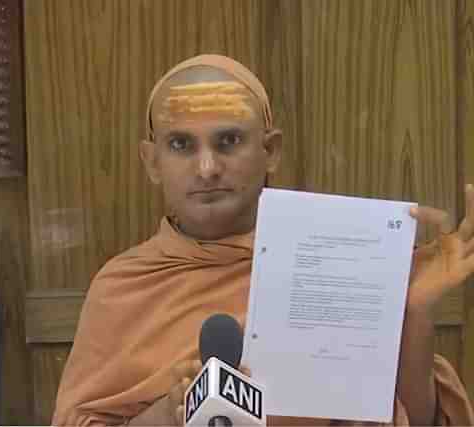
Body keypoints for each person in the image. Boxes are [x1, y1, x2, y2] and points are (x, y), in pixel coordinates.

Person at [52, 54, 474, 426]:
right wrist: (168, 414)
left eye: (228, 141)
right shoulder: (121, 287)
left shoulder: (337, 268)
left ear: (270, 151)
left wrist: (413, 313)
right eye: (181, 144)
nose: (206, 168)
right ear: (152, 161)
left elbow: (412, 419)